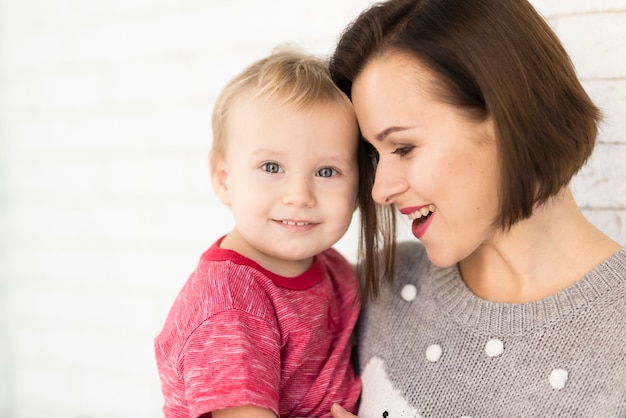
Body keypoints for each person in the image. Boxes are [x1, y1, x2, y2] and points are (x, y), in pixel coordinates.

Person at [327, 0, 626, 417]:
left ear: (508, 116)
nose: (381, 190)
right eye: (376, 155)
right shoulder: (374, 290)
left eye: (404, 147)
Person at [154, 47, 362, 418]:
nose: (299, 196)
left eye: (326, 172)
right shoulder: (229, 304)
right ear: (224, 180)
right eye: (271, 167)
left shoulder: (334, 268)